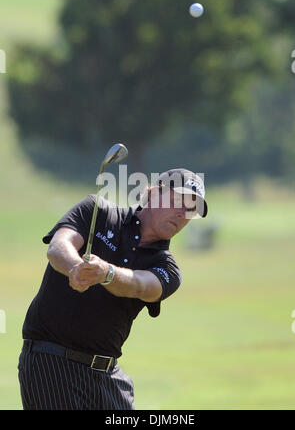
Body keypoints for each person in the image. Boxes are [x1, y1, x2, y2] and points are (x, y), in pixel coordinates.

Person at [18, 168, 208, 410]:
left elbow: (141, 286)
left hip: (107, 377)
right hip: (51, 362)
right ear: (152, 193)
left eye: (191, 209)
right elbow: (58, 246)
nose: (182, 214)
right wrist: (76, 267)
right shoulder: (97, 211)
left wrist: (106, 273)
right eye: (177, 201)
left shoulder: (167, 268)